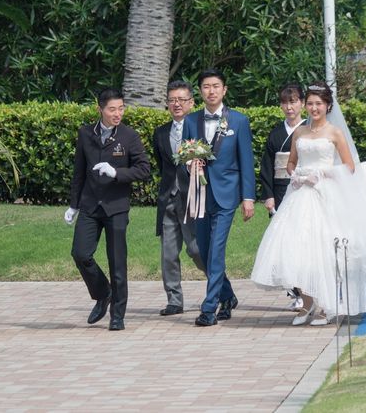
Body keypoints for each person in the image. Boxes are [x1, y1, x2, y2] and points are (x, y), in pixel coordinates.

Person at [251, 82, 366, 326]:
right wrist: (296, 175)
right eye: (310, 103)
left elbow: (349, 167)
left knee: (325, 252)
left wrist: (323, 174)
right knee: (298, 249)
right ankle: (307, 303)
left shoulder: (335, 133)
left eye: (318, 104)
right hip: (300, 195)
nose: (314, 108)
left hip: (326, 194)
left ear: (328, 106)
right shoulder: (300, 132)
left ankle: (324, 306)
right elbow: (291, 163)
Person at [65, 88, 150, 331]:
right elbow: (79, 173)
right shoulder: (85, 134)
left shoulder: (129, 136)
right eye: (112, 109)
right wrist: (73, 205)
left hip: (116, 207)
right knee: (80, 254)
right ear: (100, 109)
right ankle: (103, 293)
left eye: (121, 108)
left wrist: (117, 173)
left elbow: (144, 169)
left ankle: (117, 315)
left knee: (117, 264)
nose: (117, 114)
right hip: (90, 206)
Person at [183, 68, 256, 326]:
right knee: (203, 251)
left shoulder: (238, 121)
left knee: (216, 250)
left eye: (216, 86)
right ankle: (228, 296)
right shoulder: (191, 121)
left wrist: (248, 197)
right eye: (206, 86)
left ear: (224, 90)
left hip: (227, 194)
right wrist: (190, 165)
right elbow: (184, 155)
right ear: (200, 91)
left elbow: (246, 161)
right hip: (200, 195)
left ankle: (208, 308)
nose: (211, 91)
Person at [153, 81, 205, 316]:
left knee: (196, 249)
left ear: (191, 103)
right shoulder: (160, 132)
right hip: (168, 199)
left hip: (192, 198)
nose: (177, 104)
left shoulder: (199, 129)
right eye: (172, 100)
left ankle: (221, 289)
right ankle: (174, 300)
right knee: (168, 254)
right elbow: (162, 164)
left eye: (182, 100)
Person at [260, 83, 307, 311]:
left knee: (302, 243)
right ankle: (294, 291)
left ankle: (307, 291)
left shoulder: (309, 129)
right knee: (283, 245)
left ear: (302, 104)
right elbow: (266, 166)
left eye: (294, 102)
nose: (289, 107)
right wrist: (268, 195)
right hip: (280, 191)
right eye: (285, 103)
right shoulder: (276, 133)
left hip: (303, 189)